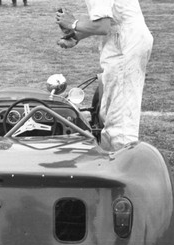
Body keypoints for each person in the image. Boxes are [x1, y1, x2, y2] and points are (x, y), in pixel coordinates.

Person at [55, 0, 153, 151]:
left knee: (121, 120)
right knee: (110, 112)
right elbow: (111, 21)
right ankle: (111, 158)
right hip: (125, 40)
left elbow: (103, 26)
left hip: (125, 45)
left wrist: (73, 23)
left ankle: (122, 164)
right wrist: (77, 36)